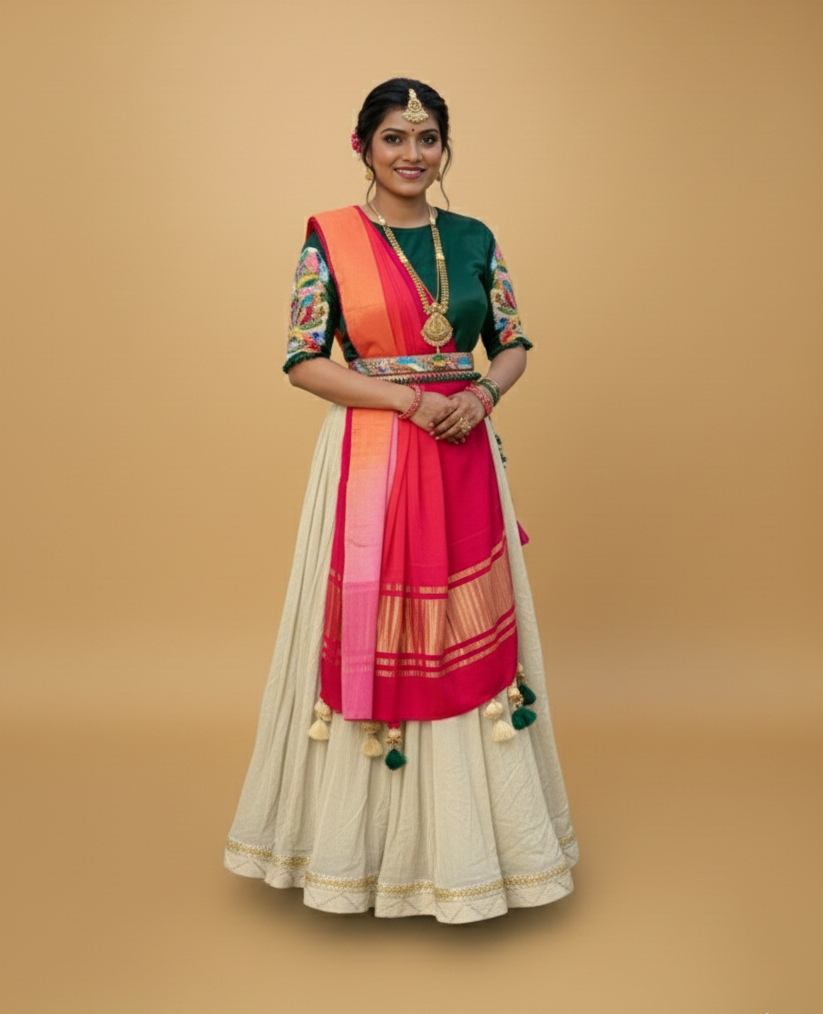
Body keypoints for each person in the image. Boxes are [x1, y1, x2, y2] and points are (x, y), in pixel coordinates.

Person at [224, 77, 578, 923]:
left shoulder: (475, 236)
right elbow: (305, 359)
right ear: (363, 148)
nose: (412, 155)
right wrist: (411, 402)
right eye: (393, 139)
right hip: (375, 455)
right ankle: (358, 854)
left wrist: (481, 396)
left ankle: (472, 855)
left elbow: (514, 342)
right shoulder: (332, 240)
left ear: (443, 149)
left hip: (464, 456)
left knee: (463, 626)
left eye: (427, 140)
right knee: (372, 629)